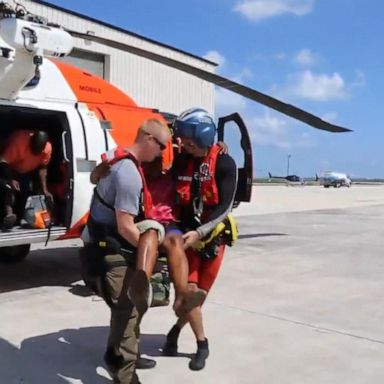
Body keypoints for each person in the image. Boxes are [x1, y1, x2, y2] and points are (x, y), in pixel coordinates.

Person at [83, 118, 171, 383]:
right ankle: (125, 373)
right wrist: (154, 255)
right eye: (162, 146)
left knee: (129, 309)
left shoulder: (117, 158)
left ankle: (114, 354)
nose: (162, 153)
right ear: (147, 138)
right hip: (107, 251)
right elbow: (125, 227)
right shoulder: (129, 173)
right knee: (128, 310)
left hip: (100, 244)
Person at [162, 108, 238, 371]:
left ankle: (174, 331)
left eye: (188, 141)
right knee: (189, 293)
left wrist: (201, 232)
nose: (182, 144)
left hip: (212, 239)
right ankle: (202, 343)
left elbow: (225, 207)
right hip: (185, 239)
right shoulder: (182, 162)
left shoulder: (225, 163)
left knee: (197, 298)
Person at [0, 130, 52, 230]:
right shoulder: (19, 142)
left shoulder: (47, 148)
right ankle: (8, 215)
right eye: (34, 148)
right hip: (8, 168)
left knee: (24, 193)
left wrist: (45, 190)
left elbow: (43, 169)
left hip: (25, 172)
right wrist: (11, 179)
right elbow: (3, 162)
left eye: (39, 150)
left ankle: (17, 220)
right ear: (31, 142)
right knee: (9, 188)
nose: (36, 152)